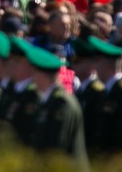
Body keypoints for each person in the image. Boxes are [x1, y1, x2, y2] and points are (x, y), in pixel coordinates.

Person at [18, 39, 87, 169]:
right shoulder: (50, 100)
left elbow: (57, 150)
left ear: (42, 75)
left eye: (34, 73)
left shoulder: (62, 103)